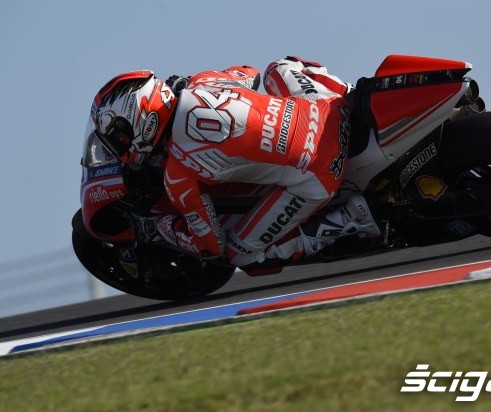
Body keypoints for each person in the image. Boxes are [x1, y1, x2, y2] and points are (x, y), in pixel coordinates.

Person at [90, 56, 380, 273]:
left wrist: (157, 227)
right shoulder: (203, 81)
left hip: (320, 169)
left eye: (119, 139)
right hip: (329, 110)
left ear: (143, 120)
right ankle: (354, 92)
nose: (120, 148)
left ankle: (350, 218)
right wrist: (187, 85)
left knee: (240, 254)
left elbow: (210, 245)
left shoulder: (178, 174)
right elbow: (250, 74)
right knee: (279, 67)